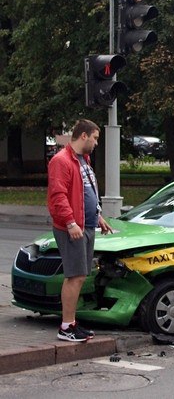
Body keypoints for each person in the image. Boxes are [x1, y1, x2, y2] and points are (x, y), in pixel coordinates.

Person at [47, 119, 112, 342]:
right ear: (83, 136)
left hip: (85, 224)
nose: (96, 143)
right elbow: (58, 195)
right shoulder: (61, 161)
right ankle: (66, 326)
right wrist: (70, 222)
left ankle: (72, 323)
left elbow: (87, 191)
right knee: (74, 276)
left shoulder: (83, 160)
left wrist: (98, 215)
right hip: (73, 228)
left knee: (80, 275)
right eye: (94, 138)